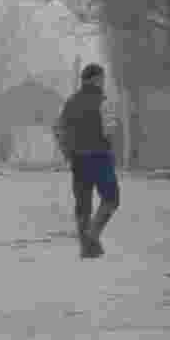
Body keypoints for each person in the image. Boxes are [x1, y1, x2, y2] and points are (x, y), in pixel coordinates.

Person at [54, 63, 120, 259]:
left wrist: (67, 151)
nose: (103, 82)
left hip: (78, 159)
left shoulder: (70, 102)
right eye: (102, 78)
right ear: (97, 79)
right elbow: (110, 131)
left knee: (83, 203)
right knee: (111, 198)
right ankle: (92, 235)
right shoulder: (104, 102)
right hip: (100, 157)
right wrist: (111, 144)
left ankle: (87, 248)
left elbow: (59, 129)